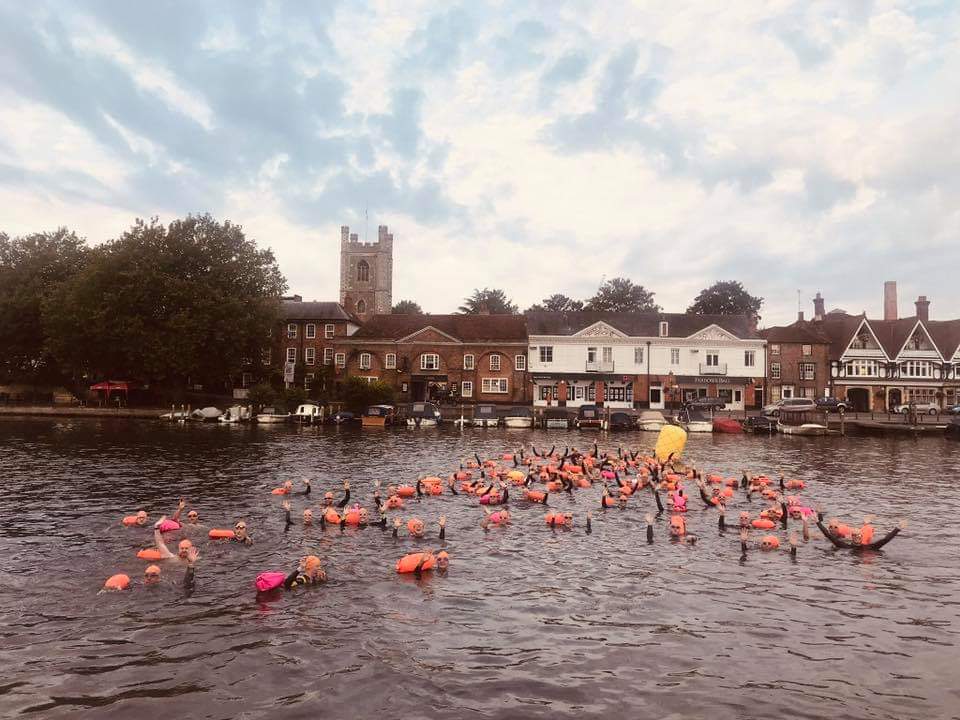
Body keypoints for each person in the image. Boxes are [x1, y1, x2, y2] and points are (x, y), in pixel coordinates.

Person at [816, 512, 904, 551]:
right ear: (852, 537)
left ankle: (867, 523)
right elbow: (828, 535)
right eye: (854, 535)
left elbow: (886, 539)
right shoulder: (845, 546)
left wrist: (897, 529)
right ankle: (866, 523)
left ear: (861, 536)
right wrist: (818, 522)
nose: (856, 537)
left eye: (858, 535)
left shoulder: (871, 547)